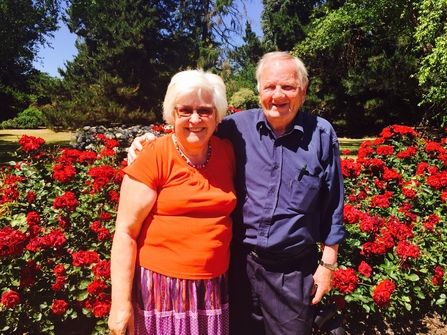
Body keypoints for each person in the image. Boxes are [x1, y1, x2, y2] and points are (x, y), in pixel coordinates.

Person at [127, 52, 346, 335]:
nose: (277, 95)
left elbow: (333, 207)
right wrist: (148, 141)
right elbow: (192, 133)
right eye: (269, 86)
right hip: (238, 268)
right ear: (259, 92)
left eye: (288, 87)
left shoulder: (321, 134)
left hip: (291, 272)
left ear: (303, 92)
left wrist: (328, 265)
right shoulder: (235, 128)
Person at [108, 69, 237, 335]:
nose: (194, 119)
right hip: (162, 290)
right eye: (185, 110)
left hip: (212, 289)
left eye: (204, 110)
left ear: (217, 116)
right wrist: (120, 304)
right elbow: (125, 233)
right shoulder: (153, 155)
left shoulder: (227, 152)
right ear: (172, 114)